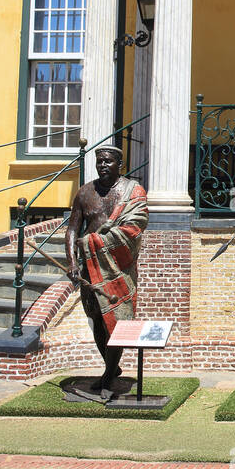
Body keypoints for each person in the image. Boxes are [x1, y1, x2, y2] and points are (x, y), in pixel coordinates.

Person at [65, 146, 148, 399]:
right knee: (97, 320)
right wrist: (71, 261)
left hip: (118, 268)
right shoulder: (84, 193)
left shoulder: (132, 192)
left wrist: (92, 243)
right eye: (99, 161)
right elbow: (72, 230)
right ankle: (111, 368)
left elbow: (135, 226)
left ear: (119, 164)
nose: (102, 165)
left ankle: (109, 375)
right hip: (89, 268)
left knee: (117, 322)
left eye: (108, 162)